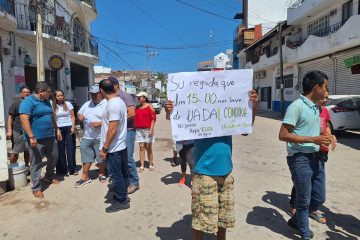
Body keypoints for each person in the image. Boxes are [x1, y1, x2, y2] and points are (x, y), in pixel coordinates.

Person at [166, 90, 258, 240]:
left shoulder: (227, 111)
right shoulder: (197, 111)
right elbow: (179, 125)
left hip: (226, 173)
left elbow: (245, 130)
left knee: (224, 217)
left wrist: (253, 107)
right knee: (200, 219)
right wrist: (170, 111)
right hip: (204, 174)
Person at [279, 70, 331, 240]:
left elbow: (316, 128)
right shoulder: (297, 106)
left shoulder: (316, 107)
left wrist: (328, 136)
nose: (326, 90)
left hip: (317, 159)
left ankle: (295, 221)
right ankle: (304, 234)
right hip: (299, 159)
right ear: (317, 87)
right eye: (325, 86)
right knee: (303, 201)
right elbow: (283, 134)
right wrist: (312, 139)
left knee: (319, 197)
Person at [288, 90, 336, 223]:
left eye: (327, 98)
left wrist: (331, 136)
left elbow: (326, 125)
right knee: (302, 182)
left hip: (322, 150)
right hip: (306, 150)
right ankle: (294, 205)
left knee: (315, 182)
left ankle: (311, 210)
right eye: (324, 97)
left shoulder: (324, 111)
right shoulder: (306, 109)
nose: (325, 100)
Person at [19, 82, 61, 199]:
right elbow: (24, 119)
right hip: (35, 139)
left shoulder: (47, 101)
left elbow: (52, 116)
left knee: (54, 157)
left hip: (50, 136)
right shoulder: (28, 102)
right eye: (49, 91)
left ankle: (49, 176)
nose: (51, 93)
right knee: (36, 163)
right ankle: (36, 188)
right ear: (41, 92)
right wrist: (31, 136)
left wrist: (57, 129)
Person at [98, 79, 129, 213]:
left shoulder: (113, 104)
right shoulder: (118, 101)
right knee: (121, 173)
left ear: (101, 90)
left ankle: (122, 200)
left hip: (114, 147)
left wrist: (104, 148)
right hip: (119, 145)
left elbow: (113, 128)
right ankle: (122, 194)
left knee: (116, 175)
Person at [108, 77, 139, 194]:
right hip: (115, 131)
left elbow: (132, 113)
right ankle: (120, 182)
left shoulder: (125, 96)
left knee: (128, 158)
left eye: (109, 84)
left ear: (116, 85)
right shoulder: (109, 98)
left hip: (128, 131)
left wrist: (117, 121)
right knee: (117, 158)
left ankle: (135, 182)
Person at [74, 85, 107, 188]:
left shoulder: (106, 104)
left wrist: (100, 123)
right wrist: (80, 117)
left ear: (101, 93)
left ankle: (101, 173)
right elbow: (79, 114)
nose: (93, 96)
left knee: (100, 158)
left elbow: (112, 120)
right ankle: (85, 177)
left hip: (100, 137)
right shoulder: (87, 104)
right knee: (85, 157)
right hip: (87, 136)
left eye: (95, 94)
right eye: (91, 94)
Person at [52, 89, 77, 176]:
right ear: (55, 97)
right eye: (58, 96)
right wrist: (57, 130)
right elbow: (53, 119)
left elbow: (73, 116)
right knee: (60, 150)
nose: (60, 97)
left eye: (61, 95)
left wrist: (73, 126)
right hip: (59, 129)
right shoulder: (53, 106)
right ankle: (62, 170)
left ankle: (72, 169)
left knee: (71, 149)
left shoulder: (68, 104)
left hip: (69, 128)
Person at [6, 86, 31, 167]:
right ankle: (12, 168)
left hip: (28, 130)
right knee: (15, 151)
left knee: (28, 151)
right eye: (24, 92)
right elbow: (10, 118)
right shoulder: (16, 104)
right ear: (21, 93)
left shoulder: (31, 103)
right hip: (17, 130)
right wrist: (9, 131)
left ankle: (27, 167)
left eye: (28, 92)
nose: (26, 93)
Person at [134, 91, 156, 172]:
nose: (138, 98)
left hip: (147, 130)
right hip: (139, 130)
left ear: (144, 98)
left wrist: (151, 130)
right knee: (141, 148)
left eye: (140, 97)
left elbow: (153, 119)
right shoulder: (137, 107)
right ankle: (142, 165)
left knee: (148, 148)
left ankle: (150, 164)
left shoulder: (150, 107)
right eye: (138, 97)